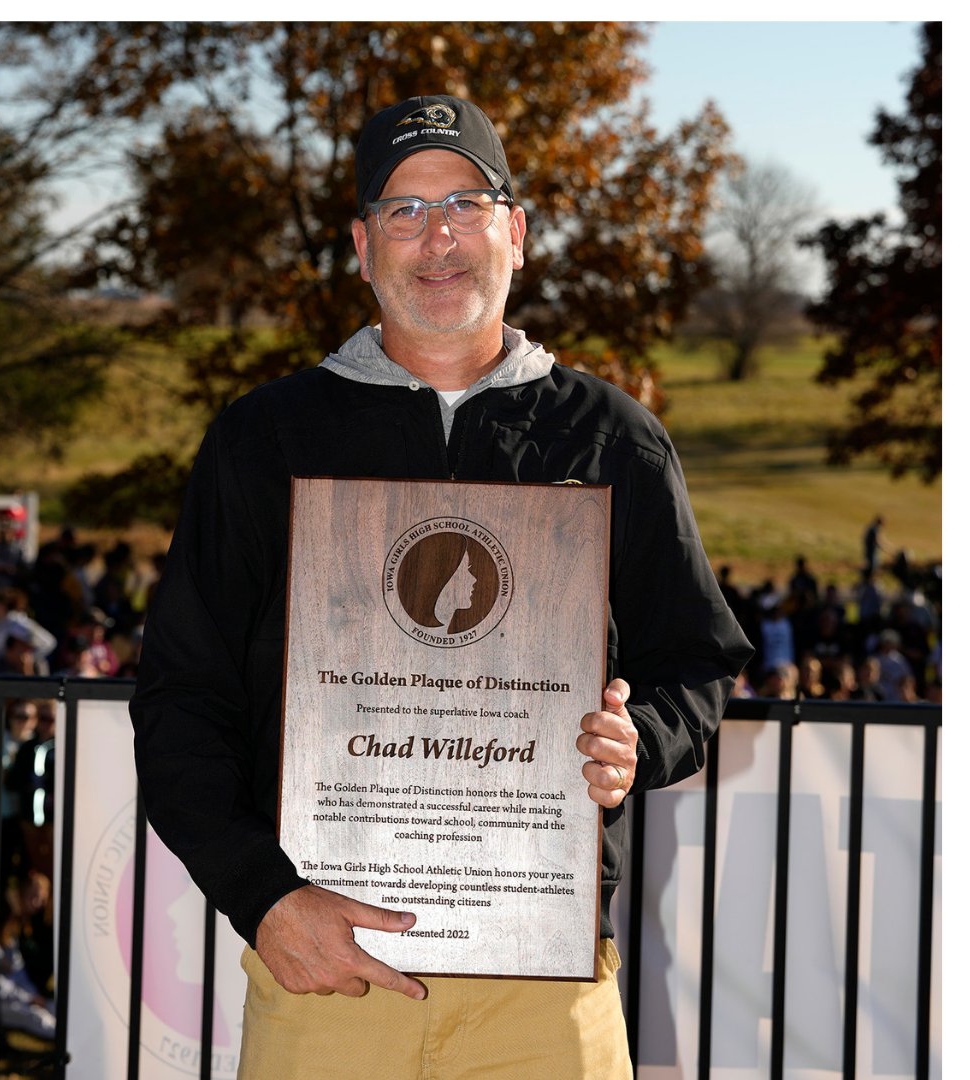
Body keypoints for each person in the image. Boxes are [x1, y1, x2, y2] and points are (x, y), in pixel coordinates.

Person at [130, 93, 753, 1079]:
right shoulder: (265, 440)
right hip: (329, 975)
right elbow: (181, 701)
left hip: (546, 993)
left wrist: (643, 741)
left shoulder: (613, 440)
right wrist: (264, 899)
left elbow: (697, 668)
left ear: (516, 230)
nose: (438, 238)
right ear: (362, 243)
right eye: (404, 211)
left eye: (464, 202)